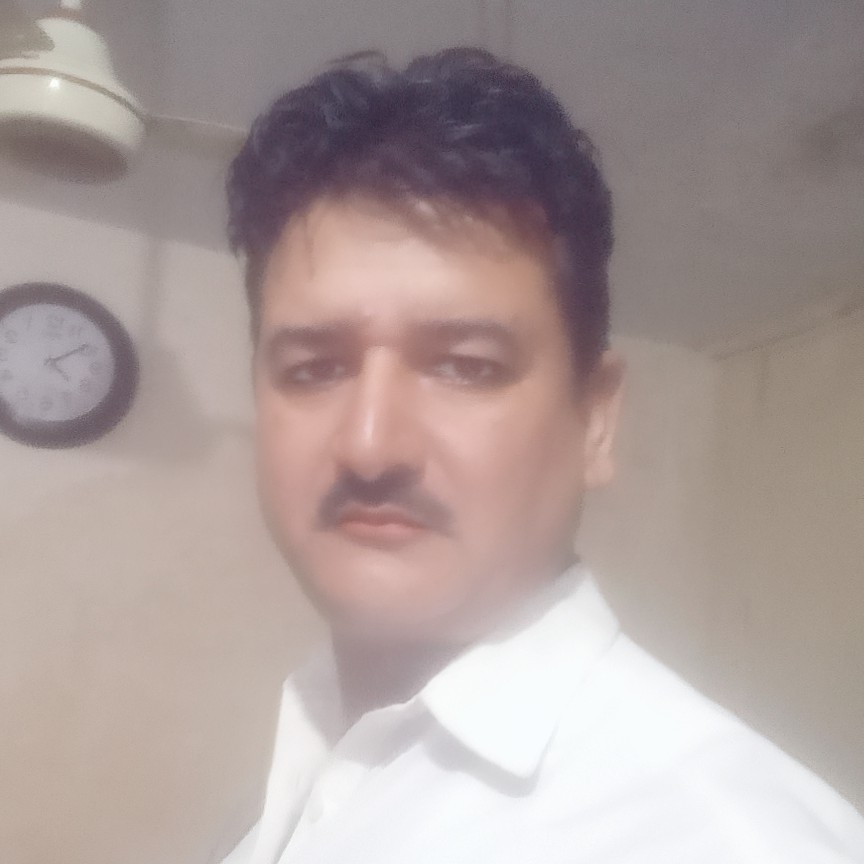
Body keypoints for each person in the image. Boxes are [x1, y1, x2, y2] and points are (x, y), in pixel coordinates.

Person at [220, 48, 864, 863]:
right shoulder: (313, 763)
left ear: (595, 420)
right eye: (314, 369)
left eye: (466, 366)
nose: (370, 444)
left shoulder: (726, 839)